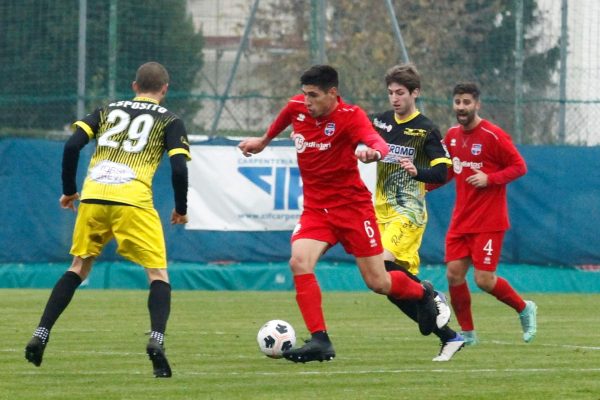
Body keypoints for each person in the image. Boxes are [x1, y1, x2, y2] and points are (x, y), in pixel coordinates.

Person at [238, 64, 449, 363]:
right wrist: (263, 141)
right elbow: (285, 117)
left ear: (333, 93)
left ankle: (423, 293)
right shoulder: (297, 108)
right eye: (305, 95)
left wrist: (373, 151)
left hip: (353, 210)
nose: (307, 101)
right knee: (299, 262)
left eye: (313, 96)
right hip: (316, 211)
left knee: (379, 282)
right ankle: (320, 340)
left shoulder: (351, 116)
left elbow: (374, 140)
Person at [24, 62, 190, 378]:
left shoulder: (107, 110)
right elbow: (180, 168)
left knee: (78, 267)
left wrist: (69, 191)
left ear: (134, 85)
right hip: (132, 200)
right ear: (164, 89)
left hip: (94, 195)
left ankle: (42, 332)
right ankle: (156, 340)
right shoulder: (170, 120)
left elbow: (72, 144)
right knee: (157, 273)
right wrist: (180, 208)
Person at [371, 63, 464, 361]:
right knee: (389, 287)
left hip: (407, 211)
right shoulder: (382, 122)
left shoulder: (425, 129)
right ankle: (449, 337)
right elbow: (365, 143)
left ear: (415, 93)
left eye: (400, 93)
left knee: (383, 267)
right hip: (380, 210)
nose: (395, 98)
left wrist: (417, 171)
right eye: (390, 93)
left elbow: (442, 172)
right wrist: (364, 151)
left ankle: (429, 294)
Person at [438, 82, 537, 345]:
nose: (461, 107)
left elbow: (519, 166)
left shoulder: (493, 135)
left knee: (483, 280)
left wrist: (490, 178)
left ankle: (524, 308)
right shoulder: (451, 136)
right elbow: (448, 172)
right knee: (453, 274)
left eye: (467, 102)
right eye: (457, 102)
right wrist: (422, 185)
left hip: (488, 221)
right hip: (461, 220)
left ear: (477, 104)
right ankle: (468, 333)